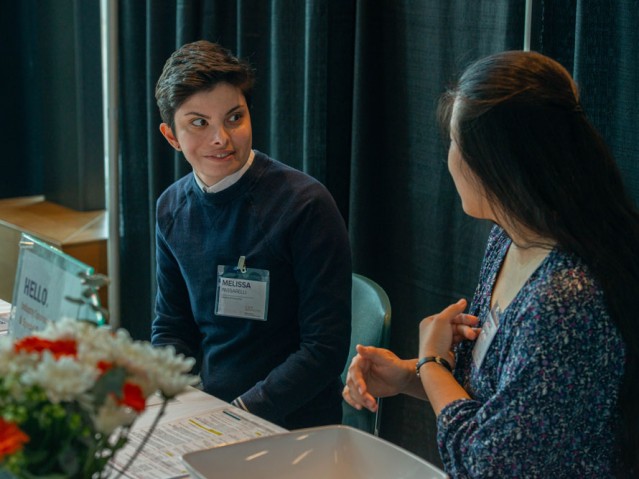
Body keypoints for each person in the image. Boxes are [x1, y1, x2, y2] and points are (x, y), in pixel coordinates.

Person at [343, 50, 639, 478]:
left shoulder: (566, 298)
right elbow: (502, 402)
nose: (448, 160)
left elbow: (490, 462)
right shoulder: (508, 238)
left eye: (455, 144)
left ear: (498, 164)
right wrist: (409, 375)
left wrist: (429, 362)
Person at [152, 40, 352, 429]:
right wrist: (173, 398)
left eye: (234, 118)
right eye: (199, 123)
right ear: (171, 136)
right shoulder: (171, 208)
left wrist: (239, 415)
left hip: (292, 423)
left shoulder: (304, 205)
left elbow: (324, 350)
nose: (221, 139)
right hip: (206, 414)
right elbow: (171, 326)